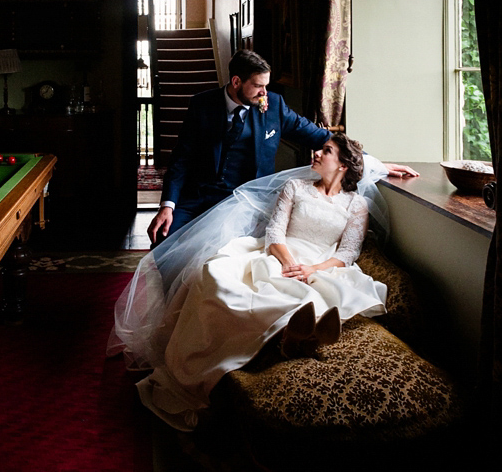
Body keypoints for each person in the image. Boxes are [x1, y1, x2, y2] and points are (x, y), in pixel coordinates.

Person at [110, 134, 389, 431]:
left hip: (319, 264)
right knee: (217, 277)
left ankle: (297, 336)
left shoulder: (355, 204)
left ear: (343, 165)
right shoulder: (296, 187)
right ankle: (291, 336)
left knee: (307, 292)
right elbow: (275, 233)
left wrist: (313, 268)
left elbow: (348, 252)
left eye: (327, 150)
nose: (317, 152)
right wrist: (289, 263)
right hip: (280, 254)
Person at [147, 50, 416, 245]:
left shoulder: (273, 106)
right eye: (258, 86)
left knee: (218, 255)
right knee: (164, 241)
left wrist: (374, 163)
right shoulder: (202, 105)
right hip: (198, 196)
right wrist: (168, 205)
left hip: (244, 201)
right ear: (237, 82)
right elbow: (181, 159)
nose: (265, 93)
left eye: (267, 85)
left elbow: (318, 136)